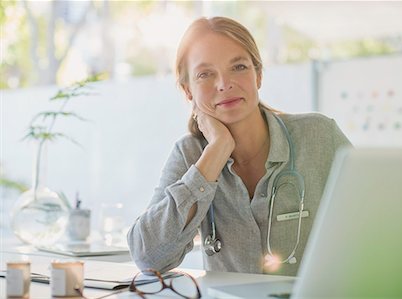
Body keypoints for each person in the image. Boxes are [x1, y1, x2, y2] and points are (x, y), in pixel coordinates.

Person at [127, 16, 351, 276]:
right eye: (205, 74)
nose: (224, 84)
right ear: (188, 90)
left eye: (239, 67)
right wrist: (217, 151)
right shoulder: (189, 154)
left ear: (258, 75)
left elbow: (377, 224)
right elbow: (148, 256)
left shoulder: (319, 135)